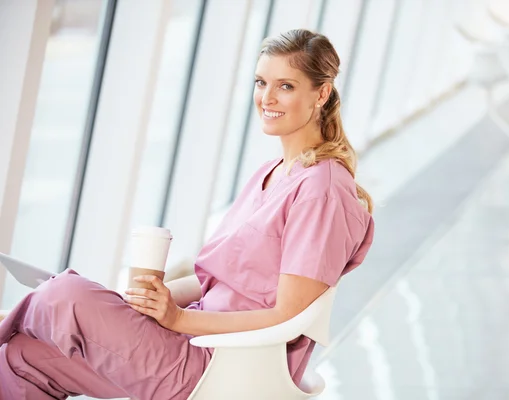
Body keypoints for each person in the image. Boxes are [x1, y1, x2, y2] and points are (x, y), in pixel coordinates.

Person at [0, 28, 375, 399]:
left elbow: (288, 316)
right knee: (22, 357)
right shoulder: (273, 172)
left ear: (321, 93)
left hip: (221, 362)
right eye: (261, 82)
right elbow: (216, 280)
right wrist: (142, 305)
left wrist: (177, 319)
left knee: (65, 293)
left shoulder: (322, 190)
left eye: (286, 86)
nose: (267, 97)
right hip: (187, 338)